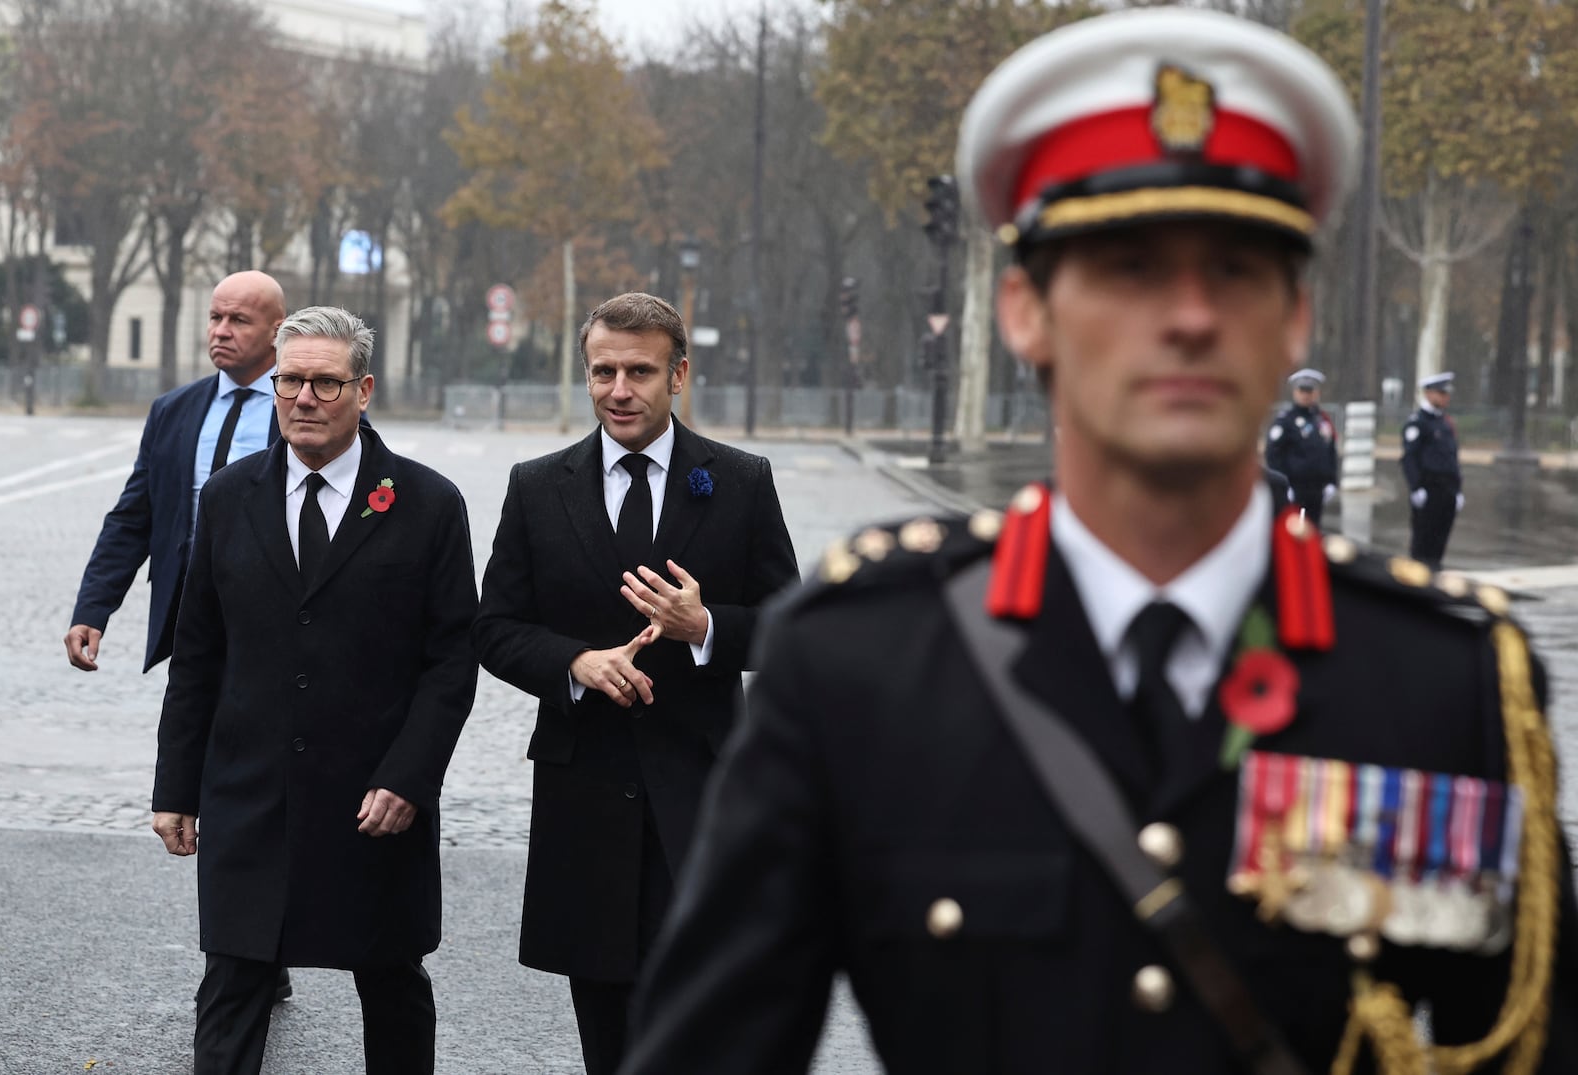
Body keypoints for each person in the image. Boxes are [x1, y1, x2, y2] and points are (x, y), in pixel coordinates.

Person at [621, 10, 1578, 1075]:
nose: (1188, 317)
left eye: (1235, 271)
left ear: (1296, 316)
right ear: (1026, 310)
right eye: (1127, 269)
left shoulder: (1442, 683)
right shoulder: (858, 663)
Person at [473, 291, 798, 1075]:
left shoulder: (742, 481)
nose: (619, 388)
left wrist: (706, 628)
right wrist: (575, 664)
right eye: (603, 371)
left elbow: (795, 626)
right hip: (585, 786)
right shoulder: (537, 484)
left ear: (678, 375)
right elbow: (494, 628)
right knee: (606, 1014)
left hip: (702, 786)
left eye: (640, 371)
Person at [151, 306, 478, 1074]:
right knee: (232, 982)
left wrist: (409, 775)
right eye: (290, 380)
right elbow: (198, 654)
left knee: (392, 982)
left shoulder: (429, 504)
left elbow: (452, 660)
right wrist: (177, 785)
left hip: (374, 798)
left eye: (325, 383)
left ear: (363, 390)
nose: (304, 397)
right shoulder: (229, 496)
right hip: (250, 792)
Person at [65, 268, 297, 1003]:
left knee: (267, 785)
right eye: (216, 316)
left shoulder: (305, 408)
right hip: (197, 633)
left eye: (240, 321)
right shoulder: (174, 411)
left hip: (283, 635)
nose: (221, 331)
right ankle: (243, 947)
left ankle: (257, 945)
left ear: (275, 333)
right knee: (211, 780)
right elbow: (134, 515)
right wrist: (92, 608)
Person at [1402, 371, 1463, 569]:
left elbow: (1452, 459)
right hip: (1429, 490)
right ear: (1428, 394)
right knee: (1422, 545)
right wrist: (1416, 488)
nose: (1446, 397)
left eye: (1447, 393)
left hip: (1447, 491)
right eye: (1441, 393)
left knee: (1439, 543)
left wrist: (1458, 490)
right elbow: (1409, 459)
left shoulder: (1445, 422)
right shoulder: (1418, 422)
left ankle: (1434, 579)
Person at [1265, 368, 1339, 526]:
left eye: (1310, 391)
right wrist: (1282, 486)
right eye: (1302, 391)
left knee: (1314, 531)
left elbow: (1330, 451)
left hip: (1317, 489)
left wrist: (1332, 481)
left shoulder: (1322, 420)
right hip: (1295, 487)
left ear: (1317, 393)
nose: (1306, 395)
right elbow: (1273, 454)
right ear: (1295, 392)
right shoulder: (1286, 421)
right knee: (1294, 532)